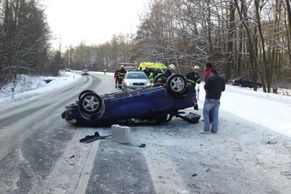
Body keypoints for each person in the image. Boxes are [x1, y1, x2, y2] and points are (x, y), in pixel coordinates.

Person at [202, 69, 225, 134]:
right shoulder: (222, 79)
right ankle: (214, 130)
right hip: (217, 99)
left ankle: (206, 130)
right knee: (215, 115)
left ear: (212, 73)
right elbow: (223, 89)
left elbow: (205, 87)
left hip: (209, 99)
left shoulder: (210, 78)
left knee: (206, 113)